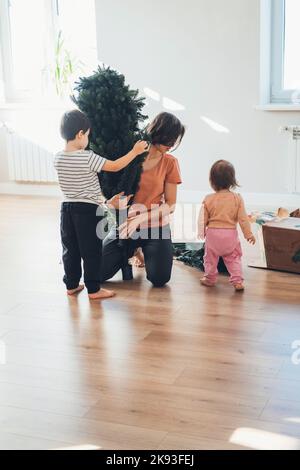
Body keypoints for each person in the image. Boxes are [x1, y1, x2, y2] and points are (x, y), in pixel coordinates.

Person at [54, 109, 148, 300]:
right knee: (91, 251)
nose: (87, 139)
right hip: (87, 211)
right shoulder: (87, 157)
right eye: (87, 135)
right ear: (80, 134)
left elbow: (78, 186)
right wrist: (135, 152)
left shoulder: (58, 158)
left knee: (69, 250)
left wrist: (105, 202)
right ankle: (94, 289)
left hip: (66, 210)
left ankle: (71, 285)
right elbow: (114, 166)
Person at [101, 112, 186, 287]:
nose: (171, 145)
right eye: (170, 140)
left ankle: (141, 249)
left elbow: (171, 204)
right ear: (160, 133)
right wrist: (110, 203)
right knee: (97, 273)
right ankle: (133, 251)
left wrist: (141, 218)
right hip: (125, 225)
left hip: (155, 226)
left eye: (174, 141)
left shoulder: (170, 162)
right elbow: (110, 187)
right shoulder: (132, 154)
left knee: (160, 278)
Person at [197, 160, 256, 292]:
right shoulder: (237, 198)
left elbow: (202, 219)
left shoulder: (208, 198)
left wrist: (201, 232)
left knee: (210, 258)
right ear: (232, 181)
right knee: (233, 258)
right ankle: (237, 281)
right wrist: (248, 234)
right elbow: (243, 219)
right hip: (230, 235)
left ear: (212, 181)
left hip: (213, 235)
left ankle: (210, 278)